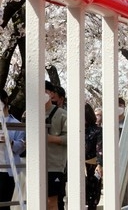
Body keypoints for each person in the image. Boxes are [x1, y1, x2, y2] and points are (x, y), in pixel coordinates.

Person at [0, 89, 26, 210]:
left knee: (4, 203)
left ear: (5, 102)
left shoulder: (16, 124)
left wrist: (9, 141)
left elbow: (21, 148)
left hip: (8, 170)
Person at [45, 81, 67, 210]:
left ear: (51, 94)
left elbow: (71, 138)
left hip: (54, 166)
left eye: (45, 91)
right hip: (33, 165)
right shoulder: (28, 114)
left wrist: (50, 138)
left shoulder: (62, 114)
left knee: (51, 201)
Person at [84, 103, 103, 209]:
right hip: (78, 166)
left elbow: (100, 149)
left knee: (93, 196)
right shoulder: (73, 129)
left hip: (93, 165)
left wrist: (100, 164)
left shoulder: (97, 130)